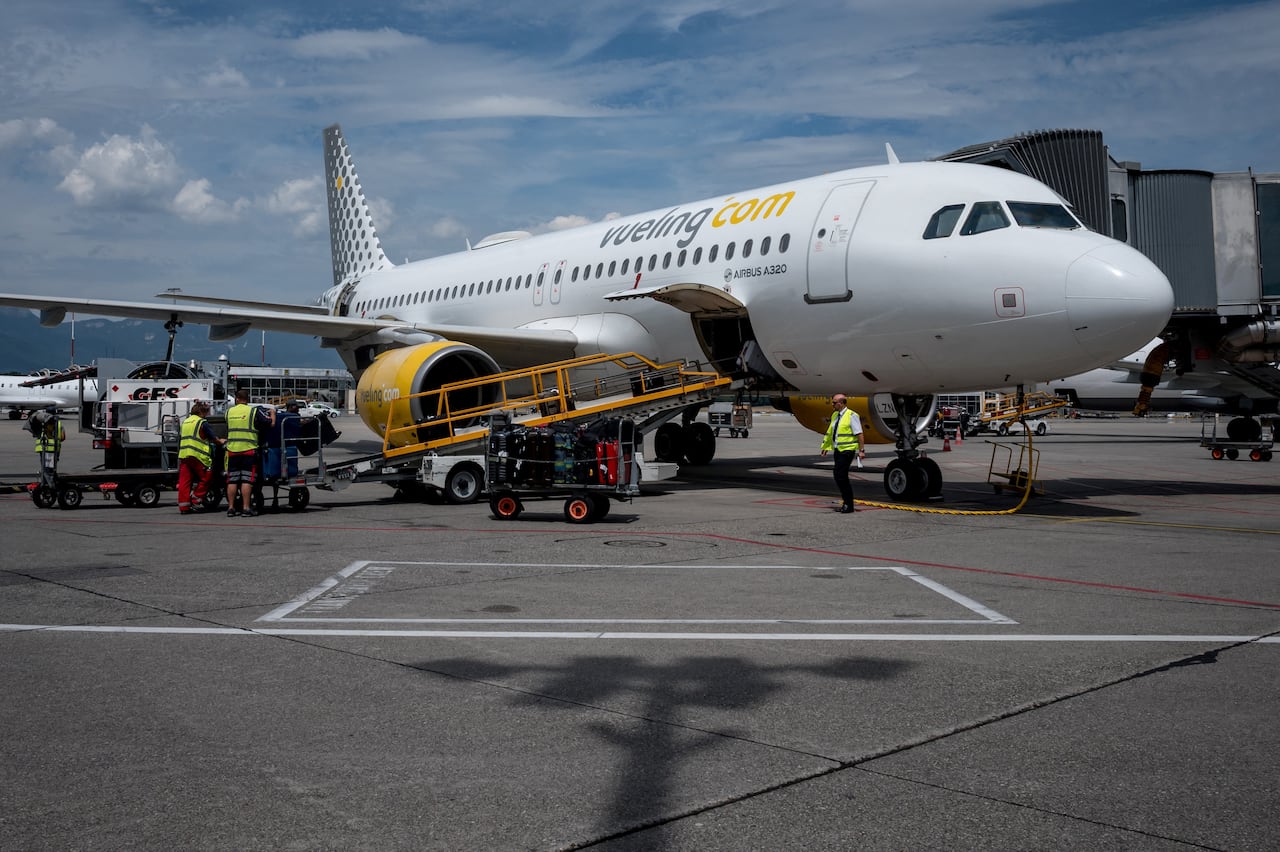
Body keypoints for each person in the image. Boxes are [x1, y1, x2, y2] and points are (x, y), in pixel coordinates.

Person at [224, 388, 275, 517]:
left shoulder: (229, 412)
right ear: (247, 399)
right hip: (248, 450)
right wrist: (273, 414)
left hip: (232, 451)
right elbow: (270, 423)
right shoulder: (253, 411)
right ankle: (246, 508)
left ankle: (231, 508)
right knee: (247, 480)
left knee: (232, 481)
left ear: (237, 399)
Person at [176, 401, 224, 514]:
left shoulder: (185, 422)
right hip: (197, 456)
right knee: (207, 476)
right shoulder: (202, 422)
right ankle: (196, 498)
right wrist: (221, 441)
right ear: (201, 412)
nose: (207, 414)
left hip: (184, 455)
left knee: (184, 482)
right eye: (206, 412)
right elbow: (212, 438)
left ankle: (184, 507)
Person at [819, 394, 864, 513]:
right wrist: (826, 447)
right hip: (838, 450)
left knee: (840, 476)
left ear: (841, 403)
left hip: (847, 450)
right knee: (839, 476)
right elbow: (831, 433)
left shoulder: (852, 415)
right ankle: (847, 503)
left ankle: (848, 504)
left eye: (834, 403)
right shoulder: (835, 415)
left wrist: (861, 450)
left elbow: (859, 434)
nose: (832, 405)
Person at [33, 406, 65, 481]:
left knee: (44, 466)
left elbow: (35, 433)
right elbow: (63, 437)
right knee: (51, 468)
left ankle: (45, 481)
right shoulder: (58, 423)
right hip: (53, 448)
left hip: (42, 447)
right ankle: (51, 484)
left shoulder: (40, 422)